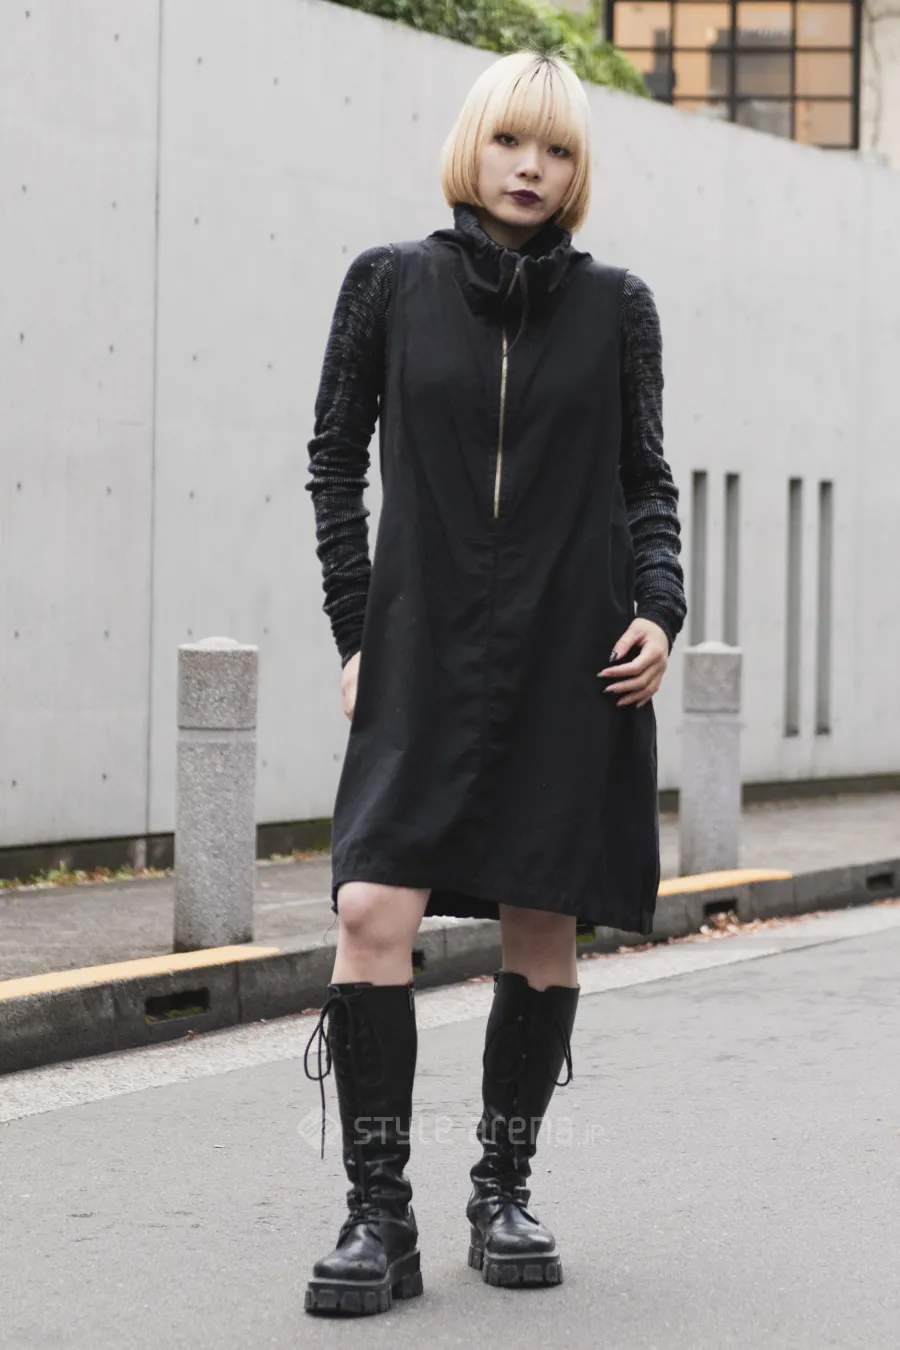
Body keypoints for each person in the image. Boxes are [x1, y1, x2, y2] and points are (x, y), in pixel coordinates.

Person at [302, 49, 686, 1316]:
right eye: (513, 141)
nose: (532, 167)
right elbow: (334, 463)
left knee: (541, 918)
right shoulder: (390, 284)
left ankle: (502, 1190)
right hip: (421, 650)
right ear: (475, 147)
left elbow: (645, 479)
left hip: (572, 657)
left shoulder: (618, 307)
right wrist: (358, 630)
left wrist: (661, 609)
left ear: (579, 170)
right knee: (373, 909)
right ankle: (378, 1214)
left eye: (559, 149)